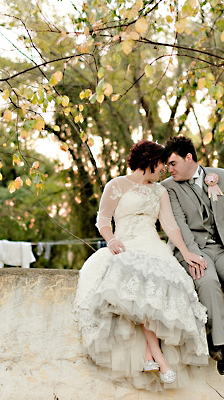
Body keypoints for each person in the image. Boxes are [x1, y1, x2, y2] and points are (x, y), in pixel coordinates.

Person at [74, 140, 210, 392]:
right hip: (125, 246)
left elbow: (169, 225)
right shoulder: (116, 185)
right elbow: (103, 218)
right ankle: (158, 357)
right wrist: (111, 239)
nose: (164, 170)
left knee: (169, 284)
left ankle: (150, 355)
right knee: (139, 287)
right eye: (161, 164)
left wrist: (186, 252)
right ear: (149, 161)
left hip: (154, 246)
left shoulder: (160, 191)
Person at [162, 136, 224, 376]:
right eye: (168, 165)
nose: (170, 169)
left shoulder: (222, 177)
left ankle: (216, 337)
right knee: (208, 282)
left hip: (223, 249)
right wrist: (192, 256)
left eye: (173, 163)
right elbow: (179, 225)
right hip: (192, 249)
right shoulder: (168, 187)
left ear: (189, 158)